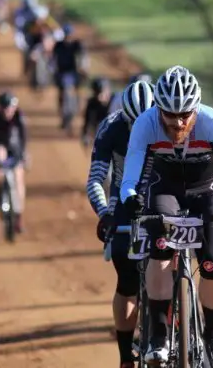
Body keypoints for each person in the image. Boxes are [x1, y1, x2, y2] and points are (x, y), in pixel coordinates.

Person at [120, 65, 213, 367]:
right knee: (159, 250)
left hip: (208, 189)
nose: (177, 123)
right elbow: (130, 179)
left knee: (212, 263)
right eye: (169, 115)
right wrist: (131, 200)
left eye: (185, 115)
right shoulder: (145, 124)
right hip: (166, 190)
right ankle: (159, 336)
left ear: (196, 107)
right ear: (157, 108)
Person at [86, 80, 155, 368]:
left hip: (161, 193)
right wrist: (104, 213)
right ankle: (126, 356)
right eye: (132, 123)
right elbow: (95, 180)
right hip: (123, 203)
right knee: (127, 281)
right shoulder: (111, 127)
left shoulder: (167, 121)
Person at [0, 92, 28, 233]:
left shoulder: (19, 117)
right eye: (4, 108)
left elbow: (23, 139)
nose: (7, 111)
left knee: (19, 179)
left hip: (16, 151)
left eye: (9, 108)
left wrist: (24, 156)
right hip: (1, 149)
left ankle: (19, 217)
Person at [52, 24, 88, 127]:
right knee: (61, 93)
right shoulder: (58, 45)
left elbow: (83, 56)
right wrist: (53, 71)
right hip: (61, 73)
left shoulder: (77, 45)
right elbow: (53, 60)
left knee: (77, 90)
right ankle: (62, 113)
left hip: (74, 73)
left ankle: (77, 107)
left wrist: (83, 68)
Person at [81, 77, 113, 148]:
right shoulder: (92, 103)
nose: (100, 96)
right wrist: (85, 135)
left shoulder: (115, 101)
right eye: (98, 93)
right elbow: (87, 120)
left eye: (104, 92)